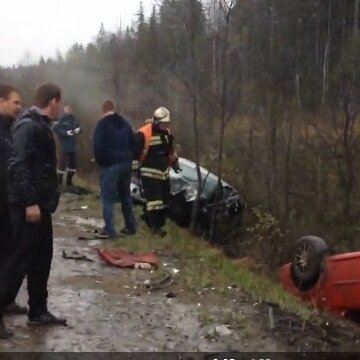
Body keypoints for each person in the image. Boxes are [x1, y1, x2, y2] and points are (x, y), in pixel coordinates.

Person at [0, 83, 67, 339]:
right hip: (28, 207)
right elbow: (18, 164)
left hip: (41, 205)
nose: (60, 107)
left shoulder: (39, 126)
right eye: (59, 102)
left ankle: (38, 310)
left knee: (41, 260)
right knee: (18, 262)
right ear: (53, 101)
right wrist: (29, 202)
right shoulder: (28, 126)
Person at [0, 84, 28, 318]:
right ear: (1, 101)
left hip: (10, 202)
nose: (19, 106)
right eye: (15, 102)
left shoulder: (12, 128)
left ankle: (6, 301)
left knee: (11, 254)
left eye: (21, 103)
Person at [134, 107, 181, 237]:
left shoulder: (166, 132)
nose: (165, 125)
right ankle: (155, 228)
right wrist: (133, 168)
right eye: (163, 123)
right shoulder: (143, 133)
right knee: (155, 201)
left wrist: (174, 162)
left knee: (164, 201)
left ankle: (148, 219)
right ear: (156, 121)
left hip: (163, 172)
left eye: (167, 123)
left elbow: (169, 151)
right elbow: (134, 152)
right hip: (148, 172)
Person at [93, 100, 137, 238]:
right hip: (125, 164)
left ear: (103, 111)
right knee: (125, 196)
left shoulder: (102, 124)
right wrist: (129, 158)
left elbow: (97, 145)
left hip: (110, 165)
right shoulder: (125, 123)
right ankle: (131, 226)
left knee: (107, 197)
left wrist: (102, 162)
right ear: (113, 109)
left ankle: (110, 230)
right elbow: (134, 143)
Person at [52, 104, 81, 188]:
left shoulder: (74, 119)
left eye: (71, 108)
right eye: (68, 108)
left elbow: (80, 128)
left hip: (73, 146)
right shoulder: (61, 119)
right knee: (62, 165)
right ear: (64, 109)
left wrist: (77, 130)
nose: (70, 110)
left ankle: (69, 182)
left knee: (72, 166)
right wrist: (65, 133)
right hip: (64, 146)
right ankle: (59, 182)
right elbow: (55, 128)